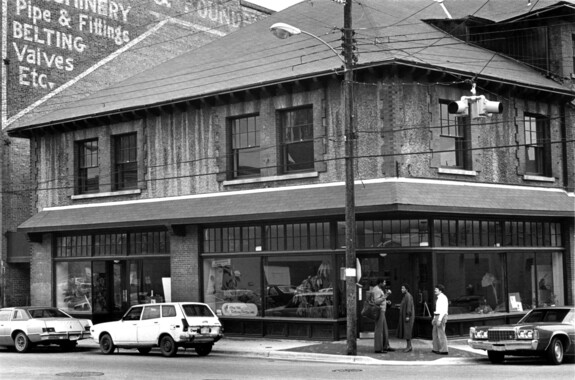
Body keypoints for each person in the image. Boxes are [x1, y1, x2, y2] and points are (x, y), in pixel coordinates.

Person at [372, 278, 395, 353]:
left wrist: (386, 301)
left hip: (382, 311)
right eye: (384, 282)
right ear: (380, 283)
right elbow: (377, 301)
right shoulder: (377, 290)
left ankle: (385, 346)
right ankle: (378, 348)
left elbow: (380, 299)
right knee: (379, 329)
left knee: (384, 329)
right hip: (380, 311)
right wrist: (386, 295)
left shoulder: (378, 289)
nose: (385, 284)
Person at [432, 284, 449, 355]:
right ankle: (436, 348)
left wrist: (439, 319)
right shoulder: (439, 298)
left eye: (436, 289)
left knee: (441, 333)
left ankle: (444, 350)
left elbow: (443, 310)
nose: (435, 290)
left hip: (440, 316)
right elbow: (437, 309)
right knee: (435, 333)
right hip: (437, 315)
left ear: (440, 290)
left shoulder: (443, 298)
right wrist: (434, 318)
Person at [398, 283, 415, 352]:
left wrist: (408, 315)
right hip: (406, 316)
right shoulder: (405, 296)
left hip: (408, 317)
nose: (401, 289)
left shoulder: (408, 296)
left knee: (407, 332)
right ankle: (409, 346)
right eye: (401, 288)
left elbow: (409, 307)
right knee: (407, 331)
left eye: (403, 288)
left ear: (406, 289)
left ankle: (409, 347)